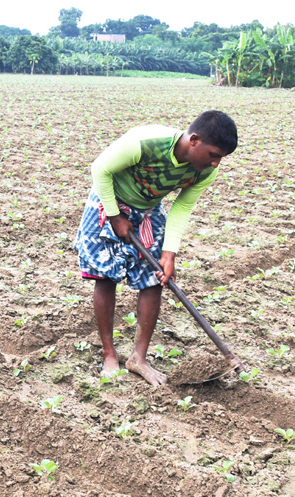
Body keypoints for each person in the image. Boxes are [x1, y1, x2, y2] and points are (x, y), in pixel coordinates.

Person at [72, 110, 237, 386]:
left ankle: (138, 358)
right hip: (108, 200)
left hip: (148, 209)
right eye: (213, 154)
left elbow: (182, 207)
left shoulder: (204, 172)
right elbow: (100, 168)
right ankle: (109, 353)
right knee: (105, 276)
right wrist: (115, 216)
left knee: (155, 279)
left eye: (220, 158)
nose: (216, 163)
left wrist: (168, 254)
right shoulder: (144, 141)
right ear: (194, 140)